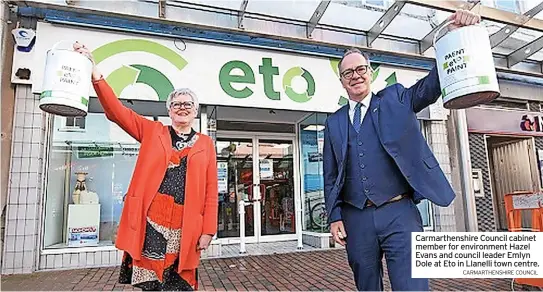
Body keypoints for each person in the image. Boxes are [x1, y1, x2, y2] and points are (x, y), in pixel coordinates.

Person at [323, 10, 481, 291]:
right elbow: (330, 174)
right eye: (348, 72)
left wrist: (455, 37)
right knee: (367, 285)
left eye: (360, 69)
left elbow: (431, 86)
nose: (355, 76)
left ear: (370, 73)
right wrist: (335, 216)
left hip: (399, 212)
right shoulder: (333, 121)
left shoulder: (396, 98)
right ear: (341, 80)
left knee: (412, 286)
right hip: (356, 217)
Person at [73, 42, 218, 291]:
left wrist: (208, 231)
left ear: (195, 111)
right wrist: (95, 72)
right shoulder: (153, 132)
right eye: (176, 104)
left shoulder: (205, 144)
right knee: (150, 284)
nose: (182, 108)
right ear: (169, 111)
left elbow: (211, 191)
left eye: (187, 105)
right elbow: (117, 112)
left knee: (179, 284)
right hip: (151, 222)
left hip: (186, 226)